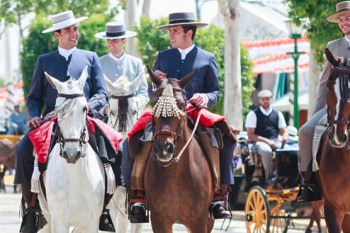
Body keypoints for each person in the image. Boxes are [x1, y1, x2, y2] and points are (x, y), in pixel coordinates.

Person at [125, 12, 235, 222]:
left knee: (224, 137)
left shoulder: (207, 57)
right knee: (135, 138)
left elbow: (215, 92)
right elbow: (151, 90)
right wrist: (156, 85)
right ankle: (137, 197)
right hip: (165, 114)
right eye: (170, 31)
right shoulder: (163, 56)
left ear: (189, 33)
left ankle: (219, 196)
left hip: (194, 111)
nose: (171, 35)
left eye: (174, 31)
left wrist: (205, 97)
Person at [14, 10, 116, 232]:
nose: (74, 33)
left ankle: (105, 209)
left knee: (112, 149)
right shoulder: (44, 61)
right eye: (68, 30)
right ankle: (32, 210)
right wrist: (34, 116)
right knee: (22, 149)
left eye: (75, 29)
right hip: (52, 119)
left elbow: (102, 93)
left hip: (84, 115)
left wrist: (90, 106)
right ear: (57, 35)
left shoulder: (90, 57)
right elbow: (33, 97)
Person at [296, 1, 350, 203]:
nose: (344, 23)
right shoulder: (332, 46)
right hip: (335, 107)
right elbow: (324, 83)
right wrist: (318, 112)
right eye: (341, 20)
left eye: (348, 18)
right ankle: (308, 183)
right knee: (305, 131)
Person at [95, 22, 149, 119]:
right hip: (105, 117)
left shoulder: (136, 63)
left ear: (124, 40)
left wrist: (133, 105)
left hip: (131, 117)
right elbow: (96, 92)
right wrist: (105, 108)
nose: (110, 43)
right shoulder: (98, 63)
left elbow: (143, 92)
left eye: (114, 40)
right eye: (108, 40)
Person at [245, 90, 289, 181]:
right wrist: (267, 141)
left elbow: (284, 131)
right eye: (263, 99)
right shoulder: (253, 114)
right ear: (259, 101)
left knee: (291, 151)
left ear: (271, 99)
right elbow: (251, 135)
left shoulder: (278, 114)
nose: (265, 101)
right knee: (266, 151)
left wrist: (284, 137)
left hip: (276, 141)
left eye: (267, 99)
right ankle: (269, 177)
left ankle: (288, 176)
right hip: (259, 142)